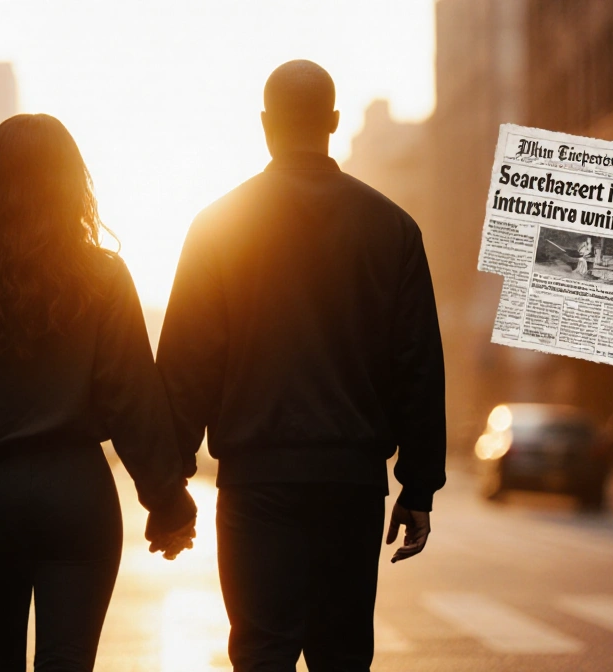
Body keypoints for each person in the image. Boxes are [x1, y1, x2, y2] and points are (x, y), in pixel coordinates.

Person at [156, 60, 446, 671]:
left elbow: (186, 362)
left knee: (261, 651)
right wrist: (417, 484)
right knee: (342, 655)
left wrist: (171, 482)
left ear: (264, 124)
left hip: (256, 484)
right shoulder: (394, 229)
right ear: (334, 122)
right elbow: (417, 365)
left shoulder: (217, 227)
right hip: (352, 484)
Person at [0, 113, 197, 671]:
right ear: (71, 187)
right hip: (77, 497)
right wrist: (168, 502)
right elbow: (134, 397)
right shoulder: (105, 278)